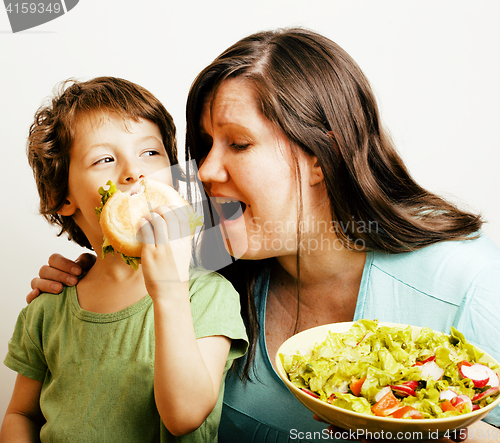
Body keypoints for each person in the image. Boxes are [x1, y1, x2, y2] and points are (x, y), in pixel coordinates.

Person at [26, 29, 500, 443]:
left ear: (322, 154)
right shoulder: (214, 262)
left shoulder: (468, 284)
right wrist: (90, 280)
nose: (205, 171)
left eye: (239, 143)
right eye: (205, 145)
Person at [1, 77, 248, 443]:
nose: (135, 172)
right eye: (104, 159)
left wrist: (169, 291)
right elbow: (20, 414)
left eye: (151, 153)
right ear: (63, 196)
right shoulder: (47, 308)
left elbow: (185, 418)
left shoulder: (208, 295)